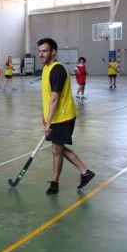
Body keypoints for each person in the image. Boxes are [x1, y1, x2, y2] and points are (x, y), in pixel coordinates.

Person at [37, 38, 95, 195]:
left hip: (63, 116)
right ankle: (85, 172)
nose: (41, 54)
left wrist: (48, 123)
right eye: (40, 51)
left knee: (56, 150)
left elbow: (55, 99)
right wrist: (45, 117)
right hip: (55, 117)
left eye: (44, 51)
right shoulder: (46, 69)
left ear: (53, 52)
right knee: (58, 149)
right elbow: (47, 96)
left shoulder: (57, 70)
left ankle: (55, 183)